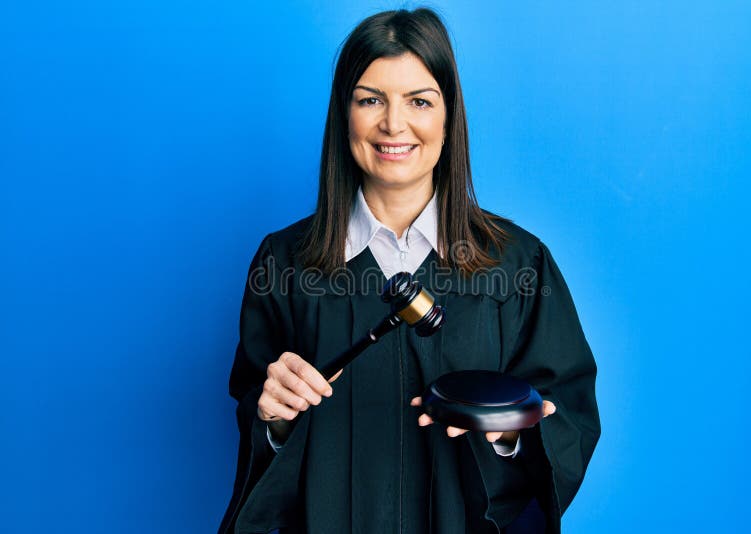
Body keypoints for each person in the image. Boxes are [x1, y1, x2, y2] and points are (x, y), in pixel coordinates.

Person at [219, 8, 600, 534]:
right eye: (370, 99)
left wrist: (512, 434)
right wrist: (274, 419)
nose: (393, 124)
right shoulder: (284, 263)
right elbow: (254, 415)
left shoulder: (516, 264)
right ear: (344, 114)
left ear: (449, 115)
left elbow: (569, 418)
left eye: (419, 101)